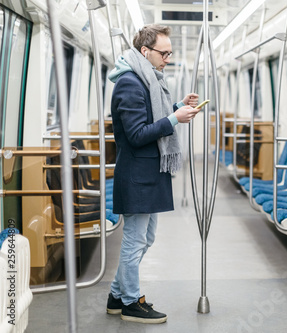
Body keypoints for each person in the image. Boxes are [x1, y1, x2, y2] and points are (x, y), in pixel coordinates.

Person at [105, 24, 200, 324]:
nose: (167, 58)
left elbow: (151, 116)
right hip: (138, 176)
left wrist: (176, 107)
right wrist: (174, 119)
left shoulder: (147, 80)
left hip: (149, 174)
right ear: (145, 52)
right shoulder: (129, 83)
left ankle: (116, 295)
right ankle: (131, 302)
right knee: (135, 241)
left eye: (170, 53)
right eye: (164, 53)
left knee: (146, 238)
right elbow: (136, 134)